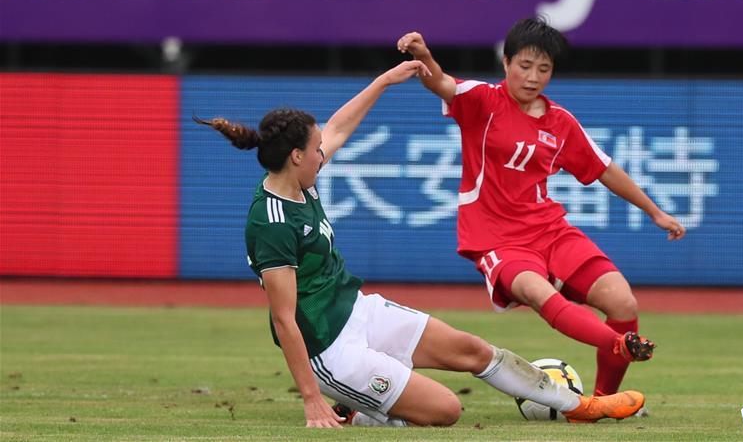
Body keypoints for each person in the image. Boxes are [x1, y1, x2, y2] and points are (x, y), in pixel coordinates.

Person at [194, 60, 645, 428]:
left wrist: (384, 81)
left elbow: (338, 127)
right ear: (296, 157)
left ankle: (579, 406)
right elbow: (285, 319)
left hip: (357, 311)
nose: (323, 153)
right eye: (315, 150)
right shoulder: (271, 222)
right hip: (329, 350)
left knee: (474, 350)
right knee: (446, 410)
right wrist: (312, 400)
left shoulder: (299, 178)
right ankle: (356, 408)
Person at [397, 18, 687, 398]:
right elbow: (441, 82)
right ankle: (618, 344)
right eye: (525, 66)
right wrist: (424, 56)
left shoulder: (560, 122)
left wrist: (655, 212)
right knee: (536, 292)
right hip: (496, 238)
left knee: (622, 300)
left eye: (544, 69)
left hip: (549, 230)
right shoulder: (483, 101)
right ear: (506, 63)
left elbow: (604, 169)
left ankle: (601, 402)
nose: (533, 77)